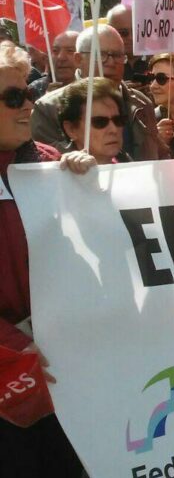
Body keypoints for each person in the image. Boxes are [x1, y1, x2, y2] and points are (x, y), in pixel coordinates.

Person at [0, 41, 84, 477]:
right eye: (14, 97)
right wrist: (20, 349)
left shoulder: (49, 164)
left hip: (62, 366)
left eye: (29, 92)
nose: (29, 105)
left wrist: (91, 188)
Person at [31, 25, 165, 160]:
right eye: (101, 55)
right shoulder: (48, 108)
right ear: (78, 59)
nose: (111, 62)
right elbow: (48, 165)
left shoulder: (142, 103)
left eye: (118, 55)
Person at [57, 78, 131, 164]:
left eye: (118, 120)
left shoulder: (131, 168)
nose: (113, 130)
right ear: (71, 129)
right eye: (100, 122)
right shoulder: (57, 174)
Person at [149, 53, 174, 158]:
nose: (153, 86)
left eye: (161, 79)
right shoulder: (150, 121)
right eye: (151, 78)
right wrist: (159, 145)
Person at [107, 4, 149, 84]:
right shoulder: (102, 64)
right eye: (123, 32)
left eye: (136, 31)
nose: (131, 37)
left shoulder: (159, 63)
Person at [28, 30, 80, 96]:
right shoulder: (34, 90)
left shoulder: (94, 88)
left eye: (70, 51)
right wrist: (46, 101)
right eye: (55, 51)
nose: (61, 57)